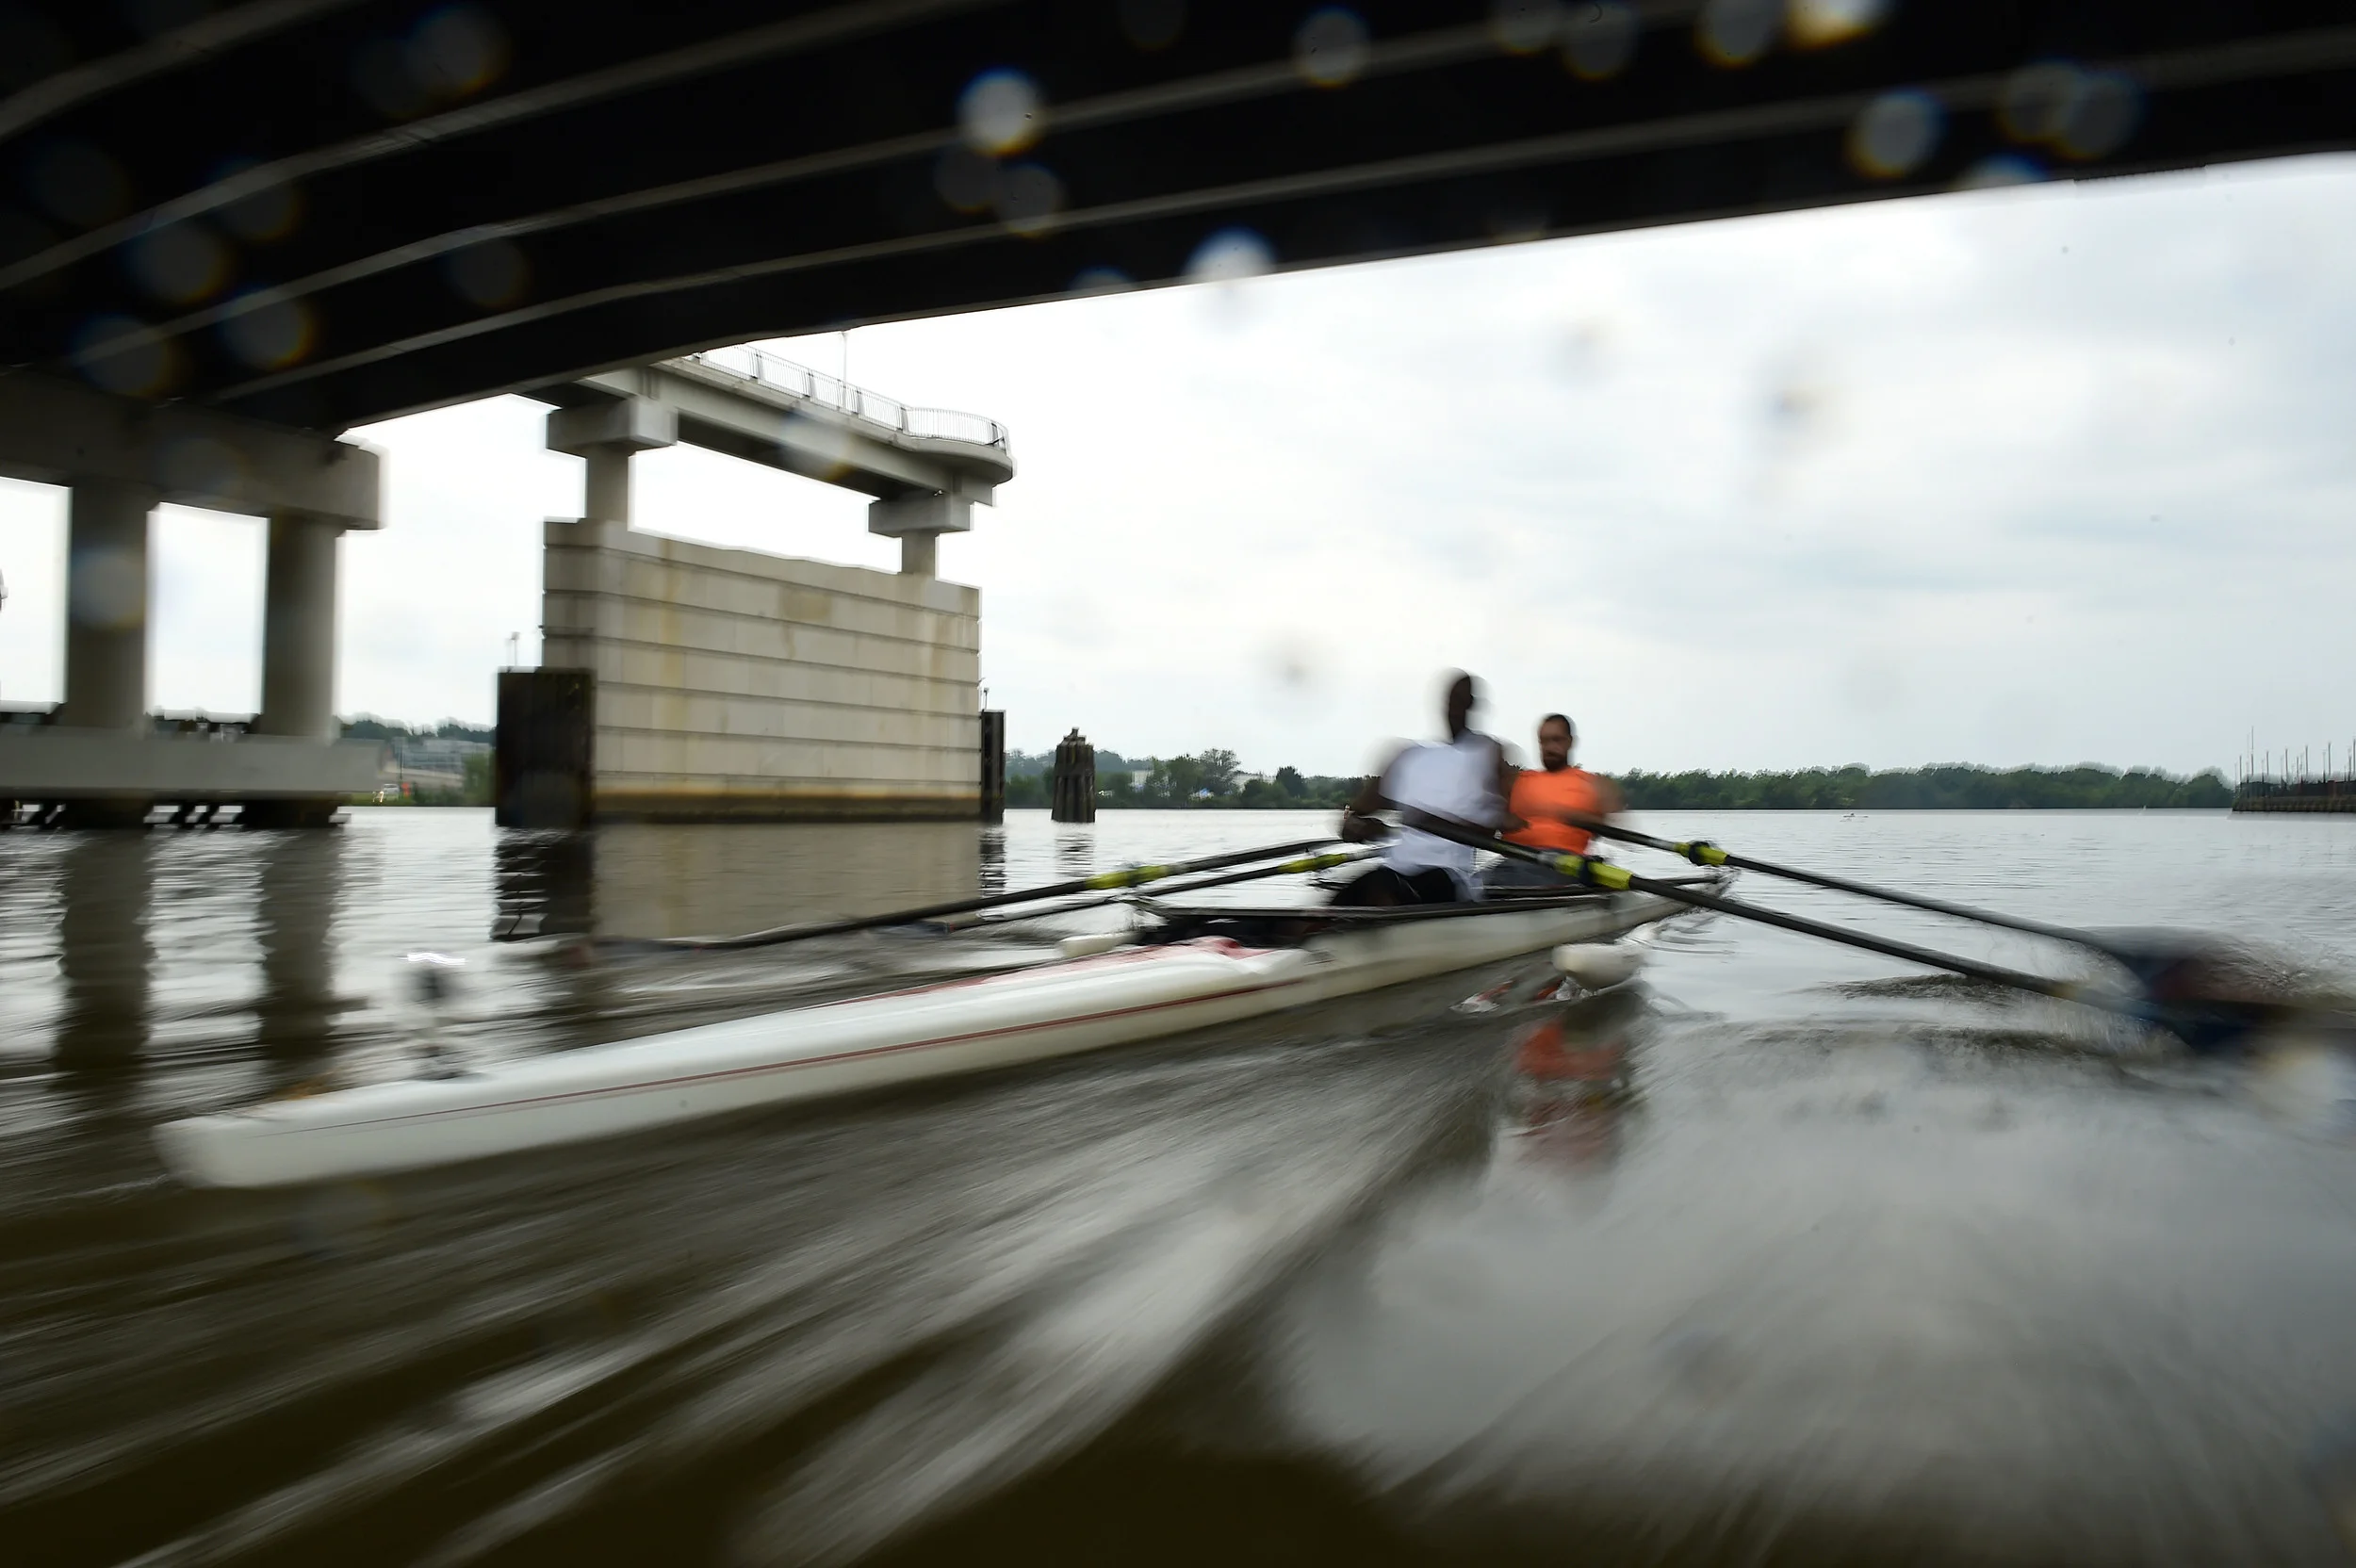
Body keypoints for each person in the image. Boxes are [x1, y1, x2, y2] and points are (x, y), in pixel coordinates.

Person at [1333, 672, 1520, 906]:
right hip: (1395, 869)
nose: (1454, 709)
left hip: (1450, 876)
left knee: (1384, 892)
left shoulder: (1490, 753)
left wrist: (1433, 822)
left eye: (1461, 701)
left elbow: (1499, 828)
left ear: (1472, 705)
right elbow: (1353, 813)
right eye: (1450, 701)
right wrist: (1354, 825)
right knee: (1348, 896)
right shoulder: (1408, 756)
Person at [1486, 712, 1625, 891]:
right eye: (1543, 741)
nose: (1549, 747)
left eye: (1556, 740)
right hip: (1514, 862)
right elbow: (1488, 823)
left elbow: (1620, 833)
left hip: (1564, 866)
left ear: (1570, 742)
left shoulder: (1593, 784)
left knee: (1489, 884)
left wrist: (1574, 817)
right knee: (1465, 883)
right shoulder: (1519, 781)